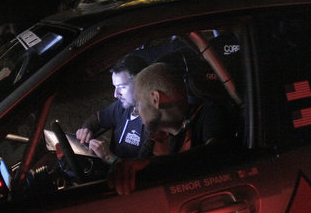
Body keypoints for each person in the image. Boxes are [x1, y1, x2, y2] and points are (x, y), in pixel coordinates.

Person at [108, 62, 241, 195]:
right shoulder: (157, 136)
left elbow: (217, 154)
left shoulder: (209, 115)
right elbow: (137, 170)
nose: (136, 111)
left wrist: (152, 164)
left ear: (156, 99)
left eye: (138, 102)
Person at [75, 54, 148, 164]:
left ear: (141, 84)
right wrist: (86, 129)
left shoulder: (152, 123)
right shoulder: (124, 106)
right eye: (115, 87)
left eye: (122, 87)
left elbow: (144, 174)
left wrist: (108, 157)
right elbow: (97, 117)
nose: (115, 94)